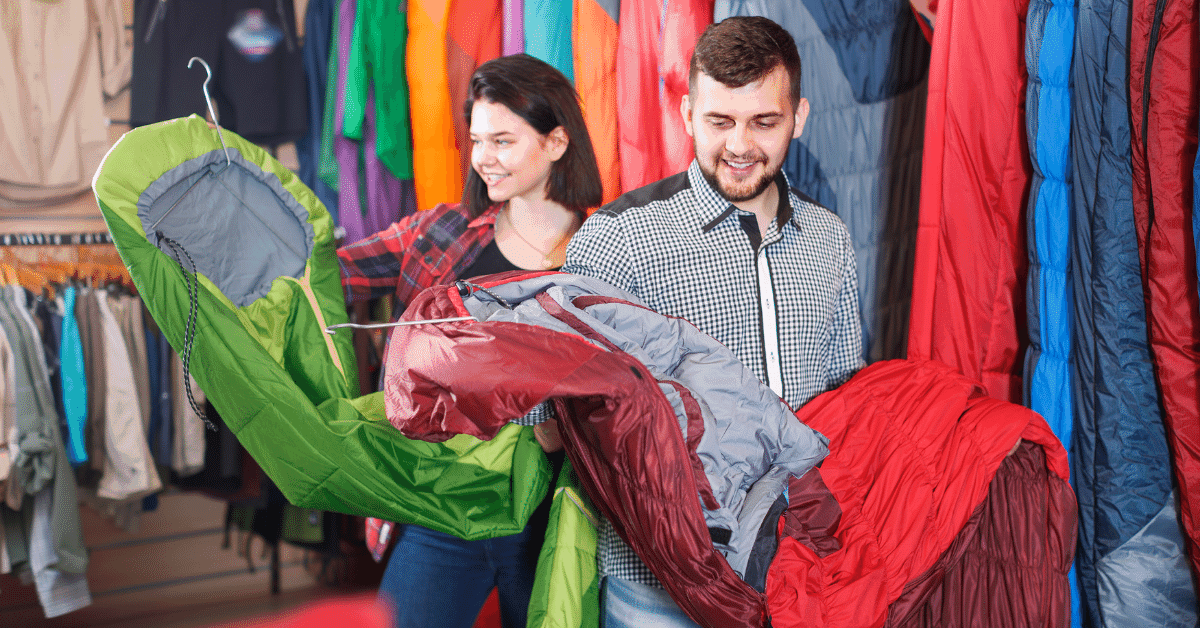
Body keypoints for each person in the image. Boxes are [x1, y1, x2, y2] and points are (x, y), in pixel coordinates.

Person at [562, 16, 865, 627]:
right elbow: (559, 412)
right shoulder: (619, 238)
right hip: (657, 578)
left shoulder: (829, 239)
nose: (739, 145)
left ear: (799, 118)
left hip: (791, 571)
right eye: (719, 121)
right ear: (686, 113)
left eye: (764, 122)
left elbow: (843, 396)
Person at [336, 53, 603, 628]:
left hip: (553, 515)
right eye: (478, 141)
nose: (483, 158)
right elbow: (325, 276)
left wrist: (565, 429)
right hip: (443, 510)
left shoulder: (607, 252)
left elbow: (633, 387)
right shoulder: (442, 232)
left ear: (556, 142)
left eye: (503, 140)